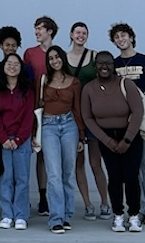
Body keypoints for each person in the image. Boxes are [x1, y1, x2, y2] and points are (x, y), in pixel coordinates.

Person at [82, 52, 145, 233]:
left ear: (113, 65)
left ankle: (134, 215)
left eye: (108, 63)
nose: (104, 66)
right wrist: (107, 140)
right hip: (106, 138)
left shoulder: (126, 84)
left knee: (131, 176)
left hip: (130, 136)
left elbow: (138, 112)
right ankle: (117, 215)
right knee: (115, 176)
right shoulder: (89, 89)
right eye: (101, 63)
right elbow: (87, 117)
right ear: (95, 66)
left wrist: (127, 139)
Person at [111, 22, 145, 225]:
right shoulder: (114, 65)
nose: (121, 39)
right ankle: (138, 209)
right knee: (133, 169)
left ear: (131, 37)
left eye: (124, 35)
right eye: (117, 37)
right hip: (124, 123)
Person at [0, 52, 36, 230]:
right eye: (9, 63)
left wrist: (19, 138)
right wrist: (2, 138)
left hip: (21, 139)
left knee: (22, 179)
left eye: (16, 64)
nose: (12, 66)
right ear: (4, 66)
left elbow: (29, 115)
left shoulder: (27, 90)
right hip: (3, 140)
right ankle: (7, 214)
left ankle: (21, 215)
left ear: (21, 67)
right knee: (6, 177)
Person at [39, 45, 85, 234]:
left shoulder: (74, 82)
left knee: (67, 172)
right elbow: (37, 107)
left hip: (69, 125)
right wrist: (36, 133)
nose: (54, 61)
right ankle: (55, 218)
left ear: (63, 59)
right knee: (54, 173)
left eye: (57, 57)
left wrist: (82, 136)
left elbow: (78, 109)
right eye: (51, 58)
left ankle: (66, 215)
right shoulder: (43, 80)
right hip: (49, 126)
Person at [67, 21, 110, 220]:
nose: (81, 36)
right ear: (71, 34)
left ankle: (104, 202)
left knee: (95, 163)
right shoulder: (64, 58)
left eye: (84, 33)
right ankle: (87, 204)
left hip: (92, 115)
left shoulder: (94, 56)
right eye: (78, 32)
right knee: (78, 163)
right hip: (73, 116)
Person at [24, 16, 58, 217]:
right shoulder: (29, 53)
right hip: (34, 110)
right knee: (39, 153)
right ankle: (42, 196)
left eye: (40, 29)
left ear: (50, 31)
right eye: (35, 28)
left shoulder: (57, 54)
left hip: (54, 110)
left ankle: (56, 196)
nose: (37, 32)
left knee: (52, 155)